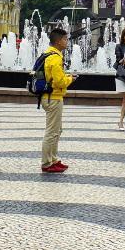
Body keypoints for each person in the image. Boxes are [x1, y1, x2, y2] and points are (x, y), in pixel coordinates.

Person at [39, 27, 74, 172]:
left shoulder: (49, 53)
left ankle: (53, 159)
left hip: (50, 96)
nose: (67, 42)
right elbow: (59, 81)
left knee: (57, 130)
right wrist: (71, 78)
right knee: (52, 132)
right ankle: (47, 163)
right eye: (65, 39)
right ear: (59, 41)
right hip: (53, 97)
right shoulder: (55, 57)